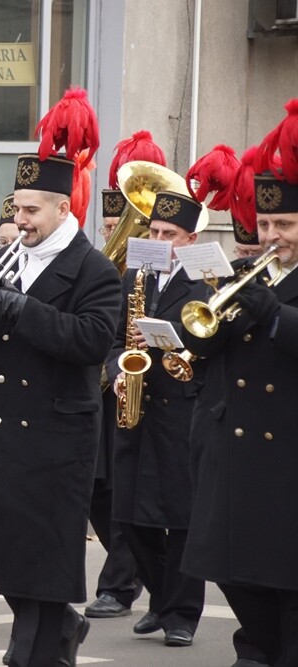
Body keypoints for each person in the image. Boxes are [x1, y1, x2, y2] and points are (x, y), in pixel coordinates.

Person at [0, 86, 122, 667]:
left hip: (54, 434)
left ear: (61, 209)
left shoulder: (93, 269)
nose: (19, 220)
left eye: (31, 211)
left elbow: (91, 341)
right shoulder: (12, 259)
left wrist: (18, 310)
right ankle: (58, 631)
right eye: (16, 208)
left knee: (41, 559)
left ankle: (37, 649)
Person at [181, 100, 298, 665]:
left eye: (285, 225)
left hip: (288, 455)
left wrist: (273, 312)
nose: (273, 236)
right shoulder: (254, 273)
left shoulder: (273, 289)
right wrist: (210, 317)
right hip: (234, 452)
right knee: (235, 574)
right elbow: (205, 346)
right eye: (267, 225)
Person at [105, 191, 208, 648]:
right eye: (154, 232)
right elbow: (111, 341)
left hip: (183, 410)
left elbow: (214, 343)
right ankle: (162, 599)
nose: (159, 240)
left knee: (181, 518)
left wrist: (178, 352)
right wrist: (115, 375)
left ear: (192, 239)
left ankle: (182, 613)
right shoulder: (135, 278)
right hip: (136, 408)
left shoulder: (208, 282)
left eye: (170, 234)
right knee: (130, 516)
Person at [84, 187, 144, 623]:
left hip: (135, 392)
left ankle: (120, 583)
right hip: (100, 389)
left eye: (118, 229)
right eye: (106, 229)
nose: (113, 239)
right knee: (97, 491)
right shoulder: (100, 272)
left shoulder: (143, 276)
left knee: (124, 489)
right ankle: (140, 568)